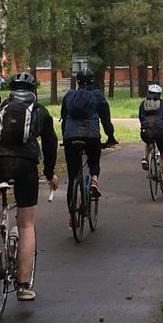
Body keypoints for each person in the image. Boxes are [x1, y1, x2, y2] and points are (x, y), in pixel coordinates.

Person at [0, 72, 58, 300]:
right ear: (33, 90)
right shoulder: (40, 112)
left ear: (11, 90)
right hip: (27, 166)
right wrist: (50, 172)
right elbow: (51, 144)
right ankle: (23, 285)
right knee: (26, 225)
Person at [60, 70, 117, 221]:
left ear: (78, 81)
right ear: (93, 80)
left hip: (71, 136)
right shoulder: (97, 96)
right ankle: (94, 180)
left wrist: (65, 138)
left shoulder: (69, 95)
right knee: (93, 162)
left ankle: (72, 216)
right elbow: (106, 121)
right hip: (92, 136)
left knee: (73, 176)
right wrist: (111, 137)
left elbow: (64, 119)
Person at [137, 83, 163, 193]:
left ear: (148, 93)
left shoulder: (142, 104)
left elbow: (140, 117)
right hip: (159, 131)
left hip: (145, 131)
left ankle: (145, 158)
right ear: (159, 94)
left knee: (147, 141)